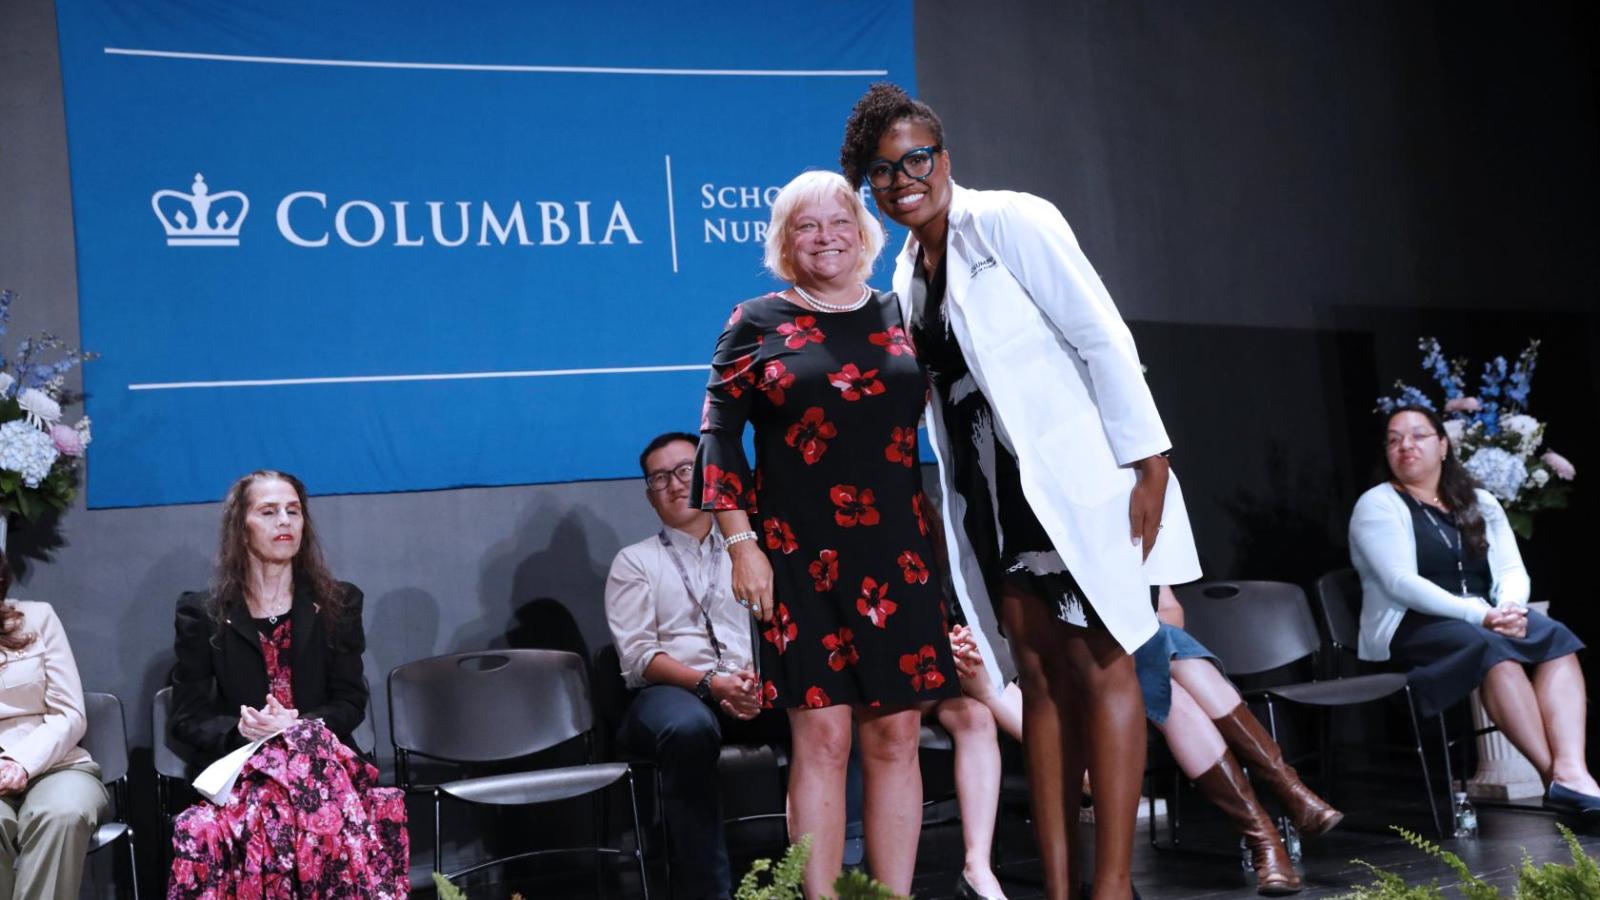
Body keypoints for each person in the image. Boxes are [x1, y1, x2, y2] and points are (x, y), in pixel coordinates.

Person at [840, 83, 1201, 900]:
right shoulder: (906, 273)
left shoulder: (1009, 220)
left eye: (914, 161)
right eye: (883, 176)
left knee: (1105, 663)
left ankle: (1111, 885)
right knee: (1037, 675)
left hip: (1075, 483)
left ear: (943, 157)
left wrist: (1150, 462)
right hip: (992, 494)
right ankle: (1063, 887)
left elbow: (1100, 334)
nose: (902, 184)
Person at [693, 169, 960, 897]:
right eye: (807, 226)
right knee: (822, 739)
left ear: (864, 232)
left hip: (899, 553)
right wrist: (742, 546)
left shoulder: (900, 312)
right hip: (795, 560)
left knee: (897, 736)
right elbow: (717, 440)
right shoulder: (755, 320)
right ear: (785, 240)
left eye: (839, 222)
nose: (826, 237)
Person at [954, 588, 1340, 897]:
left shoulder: (1119, 519)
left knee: (1163, 661)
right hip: (1078, 677)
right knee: (1169, 677)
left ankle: (1266, 837)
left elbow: (1168, 610)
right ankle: (1283, 799)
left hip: (1133, 659)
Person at [167, 470, 408, 898]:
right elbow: (187, 718)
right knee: (273, 809)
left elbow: (350, 701)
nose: (285, 521)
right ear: (241, 528)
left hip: (324, 765)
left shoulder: (338, 603)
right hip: (245, 768)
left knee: (300, 762)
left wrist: (298, 725)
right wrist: (243, 729)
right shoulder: (202, 614)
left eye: (293, 511)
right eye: (269, 511)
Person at [1350, 406, 1598, 818]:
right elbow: (1400, 583)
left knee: (1555, 638)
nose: (1405, 445)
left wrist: (1511, 607)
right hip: (1412, 624)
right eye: (1394, 439)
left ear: (1443, 445)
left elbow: (1509, 569)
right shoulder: (1377, 505)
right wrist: (1480, 616)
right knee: (1490, 649)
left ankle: (1572, 770)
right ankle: (1552, 775)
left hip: (1486, 616)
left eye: (1417, 436)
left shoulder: (1479, 500)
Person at [607, 431, 781, 900]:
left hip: (753, 685)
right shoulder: (635, 562)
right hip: (675, 695)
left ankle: (837, 868)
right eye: (659, 477)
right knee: (686, 730)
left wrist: (752, 681)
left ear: (709, 477)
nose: (674, 483)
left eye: (685, 470)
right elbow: (640, 658)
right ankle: (708, 893)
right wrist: (711, 683)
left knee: (829, 710)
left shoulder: (752, 549)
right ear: (649, 495)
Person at [0, 549, 108, 900]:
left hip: (57, 764)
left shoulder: (37, 618)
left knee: (64, 812)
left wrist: (21, 761)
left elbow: (70, 712)